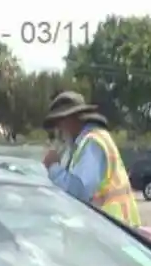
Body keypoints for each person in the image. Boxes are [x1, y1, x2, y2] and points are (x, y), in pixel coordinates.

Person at [40, 90, 141, 226]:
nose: (59, 129)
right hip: (111, 229)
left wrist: (53, 167)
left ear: (72, 119)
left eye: (60, 122)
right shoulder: (84, 142)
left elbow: (80, 192)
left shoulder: (92, 142)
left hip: (112, 230)